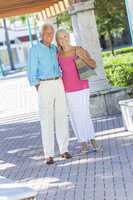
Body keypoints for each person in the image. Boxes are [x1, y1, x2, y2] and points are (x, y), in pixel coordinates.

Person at [27, 24, 71, 164]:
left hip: (58, 82)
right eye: (47, 33)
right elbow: (31, 72)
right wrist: (38, 87)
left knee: (62, 116)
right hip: (44, 85)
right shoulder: (34, 50)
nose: (50, 36)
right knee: (46, 120)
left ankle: (64, 150)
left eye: (52, 33)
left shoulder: (54, 49)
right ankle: (49, 154)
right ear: (41, 34)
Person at [56, 29, 100, 152]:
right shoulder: (58, 55)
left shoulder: (78, 49)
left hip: (82, 86)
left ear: (68, 37)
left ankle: (92, 139)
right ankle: (83, 142)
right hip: (67, 89)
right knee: (74, 116)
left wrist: (82, 57)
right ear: (58, 41)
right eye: (60, 38)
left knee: (85, 113)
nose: (63, 39)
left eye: (65, 36)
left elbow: (93, 65)